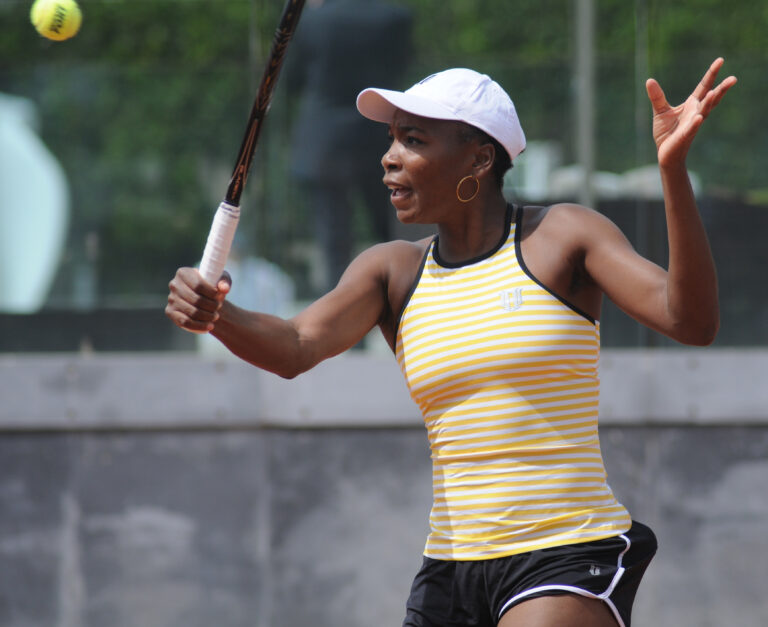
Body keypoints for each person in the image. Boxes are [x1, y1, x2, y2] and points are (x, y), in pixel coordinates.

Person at [166, 59, 736, 627]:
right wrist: (217, 313)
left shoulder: (564, 234)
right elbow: (294, 346)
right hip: (449, 570)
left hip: (567, 553)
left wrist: (672, 170)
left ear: (479, 158)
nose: (389, 158)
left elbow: (691, 321)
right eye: (391, 140)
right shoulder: (389, 271)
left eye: (413, 140)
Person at [286, 0, 412, 294]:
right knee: (391, 231)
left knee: (333, 241)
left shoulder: (312, 20)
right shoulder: (394, 17)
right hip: (379, 133)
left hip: (324, 141)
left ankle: (343, 328)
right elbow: (401, 66)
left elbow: (292, 78)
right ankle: (402, 313)